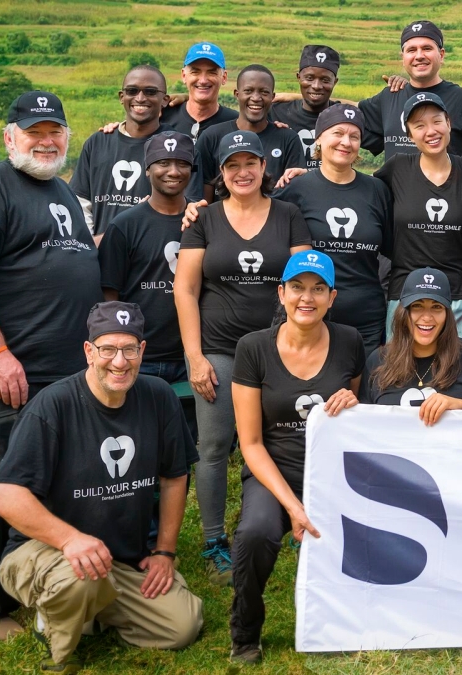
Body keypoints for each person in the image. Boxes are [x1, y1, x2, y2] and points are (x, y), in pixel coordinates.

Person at [0, 302, 202, 672]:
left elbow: (174, 476)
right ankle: (55, 619)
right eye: (107, 349)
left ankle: (92, 612)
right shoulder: (53, 406)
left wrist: (165, 552)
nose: (119, 362)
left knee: (182, 625)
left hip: (113, 559)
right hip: (43, 551)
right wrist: (70, 539)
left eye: (129, 349)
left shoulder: (158, 397)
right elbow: (3, 494)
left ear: (142, 351)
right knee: (79, 580)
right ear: (89, 352)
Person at [0, 91, 103, 639]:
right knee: (5, 484)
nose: (46, 141)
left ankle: (42, 579)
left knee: (57, 483)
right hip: (16, 371)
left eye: (55, 131)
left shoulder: (64, 193)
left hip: (69, 372)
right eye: (34, 131)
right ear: (10, 136)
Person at [175, 130, 311, 585]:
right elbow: (186, 287)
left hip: (277, 351)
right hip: (219, 351)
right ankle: (214, 539)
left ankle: (292, 521)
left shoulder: (288, 215)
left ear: (264, 168)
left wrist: (298, 346)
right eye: (232, 165)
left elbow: (304, 281)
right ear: (221, 173)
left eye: (250, 163)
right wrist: (194, 356)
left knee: (284, 439)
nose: (243, 172)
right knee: (213, 447)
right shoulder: (205, 219)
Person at [228, 251, 363, 664]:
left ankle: (341, 624)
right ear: (281, 292)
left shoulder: (350, 341)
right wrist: (293, 506)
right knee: (255, 534)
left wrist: (353, 401)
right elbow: (250, 443)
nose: (308, 298)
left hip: (333, 470)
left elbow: (357, 415)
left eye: (318, 289)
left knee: (351, 533)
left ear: (332, 297)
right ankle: (245, 633)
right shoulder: (252, 348)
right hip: (275, 468)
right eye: (298, 288)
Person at [99, 131, 198, 437]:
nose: (173, 171)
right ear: (147, 169)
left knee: (187, 445)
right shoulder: (124, 225)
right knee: (137, 438)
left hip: (190, 355)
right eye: (163, 162)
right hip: (141, 357)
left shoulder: (204, 219)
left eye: (182, 163)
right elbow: (108, 296)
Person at [275, 105, 392, 352]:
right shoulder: (295, 189)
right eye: (337, 133)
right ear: (319, 138)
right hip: (309, 317)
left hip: (366, 319)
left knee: (362, 389)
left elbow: (393, 248)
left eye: (354, 136)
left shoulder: (377, 190)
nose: (346, 142)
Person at [374, 93, 462, 341]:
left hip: (454, 294)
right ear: (409, 135)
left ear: (448, 123)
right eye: (419, 125)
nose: (430, 131)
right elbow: (362, 195)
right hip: (404, 294)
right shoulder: (397, 167)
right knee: (400, 372)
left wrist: (451, 238)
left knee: (459, 370)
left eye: (436, 121)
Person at [362, 267, 462, 421]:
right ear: (404, 313)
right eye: (417, 306)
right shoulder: (379, 360)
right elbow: (361, 421)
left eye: (436, 307)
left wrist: (461, 406)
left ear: (447, 314)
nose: (427, 317)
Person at [358, 21, 462, 159]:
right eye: (411, 50)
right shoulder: (389, 96)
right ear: (403, 58)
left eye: (427, 48)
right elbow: (346, 114)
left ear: (441, 55)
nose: (419, 56)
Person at [71, 65, 168, 239]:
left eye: (150, 92)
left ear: (165, 100)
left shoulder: (174, 145)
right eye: (132, 90)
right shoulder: (98, 142)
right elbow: (81, 202)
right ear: (121, 97)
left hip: (152, 254)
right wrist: (89, 246)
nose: (140, 98)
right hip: (99, 254)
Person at [192, 65, 305, 202]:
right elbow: (202, 199)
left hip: (275, 221)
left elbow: (295, 194)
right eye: (248, 91)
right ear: (237, 94)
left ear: (272, 97)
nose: (256, 98)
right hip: (221, 222)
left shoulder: (288, 138)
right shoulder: (211, 137)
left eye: (264, 92)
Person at [270, 45, 341, 170]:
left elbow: (361, 106)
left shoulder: (344, 116)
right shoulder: (275, 112)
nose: (316, 86)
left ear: (334, 82)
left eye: (325, 80)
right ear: (298, 77)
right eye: (309, 78)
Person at [159, 42, 238, 139]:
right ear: (184, 76)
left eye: (212, 72)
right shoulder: (161, 116)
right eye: (195, 72)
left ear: (224, 77)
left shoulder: (237, 124)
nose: (203, 80)